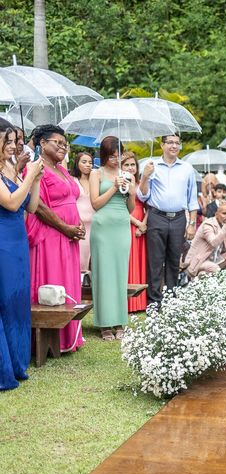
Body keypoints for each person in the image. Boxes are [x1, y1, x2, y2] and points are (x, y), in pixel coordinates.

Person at [26, 125, 85, 353]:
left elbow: (71, 199)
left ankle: (71, 336)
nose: (62, 146)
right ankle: (54, 340)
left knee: (69, 281)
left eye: (64, 143)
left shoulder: (62, 169)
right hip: (51, 233)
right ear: (42, 143)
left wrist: (77, 226)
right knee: (54, 281)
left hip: (70, 235)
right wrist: (64, 227)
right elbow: (38, 205)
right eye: (57, 142)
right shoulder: (35, 168)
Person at [0, 124, 43, 390]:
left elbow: (32, 206)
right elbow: (11, 202)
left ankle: (17, 364)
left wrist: (34, 179)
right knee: (3, 302)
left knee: (16, 302)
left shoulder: (10, 168)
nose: (13, 145)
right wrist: (28, 177)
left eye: (15, 140)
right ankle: (4, 369)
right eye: (7, 140)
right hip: (2, 243)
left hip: (18, 243)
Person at [137, 133, 199, 305]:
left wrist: (192, 224)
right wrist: (145, 176)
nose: (173, 146)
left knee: (174, 261)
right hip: (157, 217)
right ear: (162, 145)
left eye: (177, 143)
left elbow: (192, 199)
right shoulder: (151, 165)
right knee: (155, 261)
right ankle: (154, 303)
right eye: (170, 142)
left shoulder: (187, 168)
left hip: (179, 218)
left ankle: (171, 301)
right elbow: (142, 196)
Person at [90, 138, 135, 340]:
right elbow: (95, 204)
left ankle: (120, 321)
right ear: (104, 155)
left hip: (121, 225)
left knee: (119, 274)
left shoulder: (127, 175)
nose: (116, 159)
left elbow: (131, 208)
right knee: (103, 274)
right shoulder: (96, 174)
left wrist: (131, 192)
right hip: (102, 227)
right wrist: (113, 187)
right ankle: (104, 323)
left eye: (119, 155)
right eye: (111, 156)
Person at [182, 201, 226, 278]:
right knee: (213, 268)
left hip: (215, 259)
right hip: (199, 262)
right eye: (224, 213)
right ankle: (202, 277)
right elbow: (213, 242)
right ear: (216, 214)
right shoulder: (208, 224)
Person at [122, 152, 147, 312]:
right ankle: (128, 303)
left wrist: (144, 224)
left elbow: (151, 203)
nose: (130, 168)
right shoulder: (121, 182)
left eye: (133, 165)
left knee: (141, 261)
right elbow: (121, 207)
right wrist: (137, 222)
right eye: (126, 165)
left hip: (142, 225)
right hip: (127, 221)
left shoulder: (141, 182)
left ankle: (140, 302)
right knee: (129, 261)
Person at [70, 151, 95, 274]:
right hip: (79, 226)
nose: (88, 165)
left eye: (90, 162)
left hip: (95, 226)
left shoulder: (96, 181)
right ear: (77, 163)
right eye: (84, 162)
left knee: (92, 261)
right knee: (79, 261)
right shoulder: (71, 181)